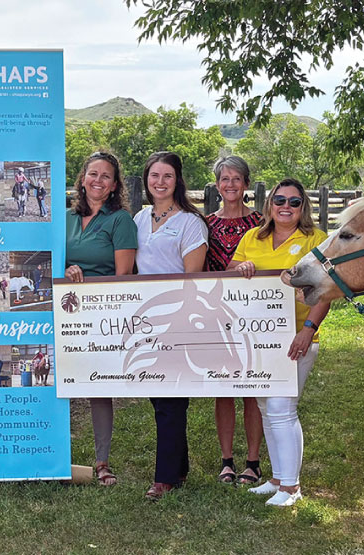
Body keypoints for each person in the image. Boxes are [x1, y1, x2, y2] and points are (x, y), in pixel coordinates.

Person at [228, 177, 332, 508]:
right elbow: (230, 273)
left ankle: (291, 487)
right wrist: (239, 267)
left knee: (281, 408)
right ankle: (276, 478)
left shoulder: (316, 240)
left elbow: (326, 291)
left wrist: (308, 329)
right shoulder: (252, 237)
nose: (285, 207)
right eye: (280, 200)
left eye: (294, 202)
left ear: (304, 208)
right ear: (270, 204)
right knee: (264, 406)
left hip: (296, 337)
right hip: (256, 337)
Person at [131, 152, 210, 501]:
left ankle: (164, 478)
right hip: (146, 317)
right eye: (154, 175)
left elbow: (192, 277)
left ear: (178, 181)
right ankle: (179, 467)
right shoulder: (138, 218)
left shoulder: (191, 223)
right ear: (146, 180)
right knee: (160, 395)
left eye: (167, 176)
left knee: (170, 397)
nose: (160, 182)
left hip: (177, 316)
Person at [64, 151, 136, 487]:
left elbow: (122, 276)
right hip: (62, 309)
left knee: (97, 384)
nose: (98, 180)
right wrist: (65, 272)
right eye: (93, 173)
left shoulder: (121, 221)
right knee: (55, 380)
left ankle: (102, 461)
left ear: (114, 186)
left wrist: (87, 281)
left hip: (100, 312)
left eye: (106, 176)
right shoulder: (63, 219)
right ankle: (49, 452)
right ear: (82, 179)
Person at [206, 155, 267, 486]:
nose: (230, 185)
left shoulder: (261, 224)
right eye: (224, 179)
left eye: (236, 179)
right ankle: (227, 460)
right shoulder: (205, 224)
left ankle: (253, 461)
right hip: (216, 314)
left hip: (252, 315)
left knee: (252, 388)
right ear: (217, 185)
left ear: (246, 183)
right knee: (223, 388)